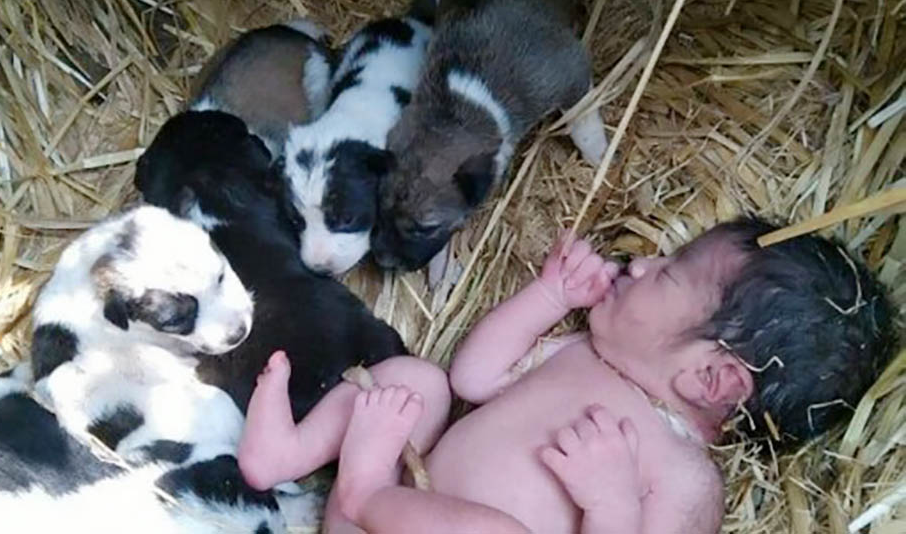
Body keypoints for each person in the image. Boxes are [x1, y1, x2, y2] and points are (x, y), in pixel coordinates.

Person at [239, 217, 897, 534]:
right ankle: (285, 455)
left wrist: (610, 502)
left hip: (386, 499)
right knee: (421, 382)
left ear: (713, 380)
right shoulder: (581, 352)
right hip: (399, 504)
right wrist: (548, 298)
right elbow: (473, 378)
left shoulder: (683, 476)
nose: (641, 262)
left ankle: (360, 486)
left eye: (667, 272)